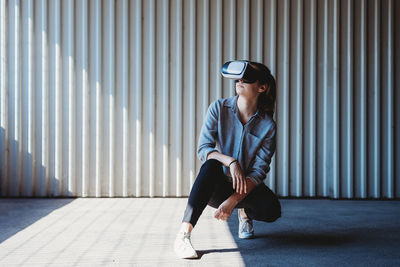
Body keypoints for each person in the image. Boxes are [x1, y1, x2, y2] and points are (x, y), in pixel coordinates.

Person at [174, 60, 281, 259]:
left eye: (247, 78)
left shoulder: (268, 126)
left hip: (245, 187)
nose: (240, 80)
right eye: (238, 77)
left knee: (272, 210)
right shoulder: (219, 108)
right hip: (218, 185)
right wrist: (231, 161)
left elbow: (259, 172)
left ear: (262, 87)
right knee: (211, 164)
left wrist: (234, 201)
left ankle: (244, 213)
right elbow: (204, 149)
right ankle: (183, 235)